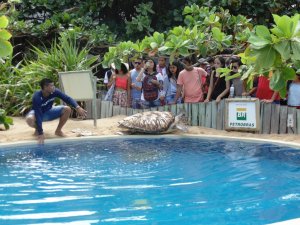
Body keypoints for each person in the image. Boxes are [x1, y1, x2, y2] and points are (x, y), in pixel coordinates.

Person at [26, 78, 87, 144]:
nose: (53, 87)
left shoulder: (55, 91)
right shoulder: (37, 96)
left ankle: (58, 131)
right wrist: (41, 132)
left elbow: (67, 98)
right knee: (29, 119)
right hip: (37, 113)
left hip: (49, 111)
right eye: (51, 86)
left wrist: (77, 107)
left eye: (53, 85)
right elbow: (38, 114)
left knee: (67, 109)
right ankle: (37, 129)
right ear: (45, 87)